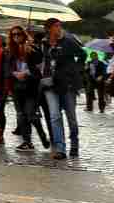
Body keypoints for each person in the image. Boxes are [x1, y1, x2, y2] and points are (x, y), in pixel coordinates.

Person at [40, 17, 85, 159]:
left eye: (60, 25)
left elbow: (83, 55)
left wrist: (75, 70)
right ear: (48, 29)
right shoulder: (43, 44)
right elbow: (40, 61)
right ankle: (60, 149)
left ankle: (74, 144)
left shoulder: (69, 41)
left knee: (71, 117)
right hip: (50, 84)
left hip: (67, 84)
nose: (59, 28)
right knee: (54, 116)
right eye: (56, 26)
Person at [7, 25, 49, 151]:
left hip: (31, 87)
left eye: (18, 34)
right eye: (13, 34)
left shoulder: (32, 49)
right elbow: (6, 69)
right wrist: (14, 73)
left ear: (23, 34)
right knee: (21, 115)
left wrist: (27, 72)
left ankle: (42, 134)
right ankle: (27, 142)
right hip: (16, 87)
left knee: (31, 115)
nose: (16, 37)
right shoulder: (9, 51)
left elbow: (39, 68)